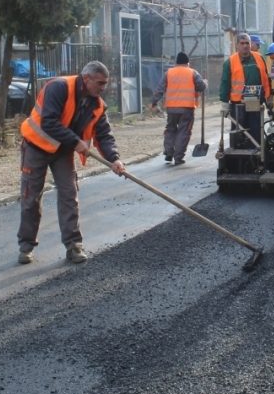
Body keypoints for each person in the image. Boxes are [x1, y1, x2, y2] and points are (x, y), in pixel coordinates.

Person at [17, 61, 126, 265]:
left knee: (70, 196)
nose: (103, 88)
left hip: (63, 152)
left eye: (105, 84)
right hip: (35, 147)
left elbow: (104, 135)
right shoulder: (58, 87)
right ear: (86, 78)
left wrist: (114, 159)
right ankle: (26, 246)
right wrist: (76, 141)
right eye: (100, 83)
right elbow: (49, 122)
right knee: (31, 198)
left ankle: (74, 246)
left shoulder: (97, 105)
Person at [150, 52, 207, 165]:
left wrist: (153, 102)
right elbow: (200, 86)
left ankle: (169, 151)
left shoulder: (169, 73)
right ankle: (178, 157)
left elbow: (160, 89)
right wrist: (205, 82)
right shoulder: (193, 72)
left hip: (171, 108)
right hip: (187, 108)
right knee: (184, 132)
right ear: (187, 62)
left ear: (176, 63)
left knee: (170, 129)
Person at [219, 32, 270, 149]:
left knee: (256, 130)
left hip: (256, 102)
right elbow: (225, 82)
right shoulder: (230, 62)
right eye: (242, 43)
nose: (245, 46)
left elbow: (266, 79)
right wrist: (224, 103)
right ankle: (238, 155)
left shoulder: (259, 58)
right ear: (237, 45)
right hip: (238, 105)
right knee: (238, 132)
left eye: (247, 43)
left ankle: (256, 153)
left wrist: (269, 97)